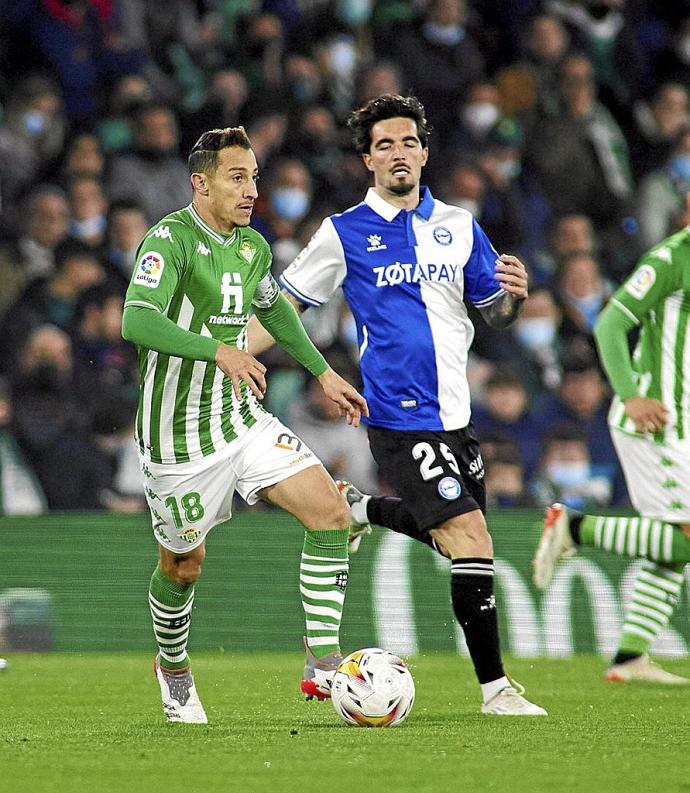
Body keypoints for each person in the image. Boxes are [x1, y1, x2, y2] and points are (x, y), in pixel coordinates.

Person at [248, 94, 546, 715]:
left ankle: (361, 510)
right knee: (471, 538)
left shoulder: (460, 225)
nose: (398, 153)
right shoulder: (343, 232)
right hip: (396, 416)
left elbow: (494, 313)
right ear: (368, 161)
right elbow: (285, 304)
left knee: (455, 543)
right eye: (384, 145)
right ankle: (496, 690)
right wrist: (232, 353)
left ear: (425, 151)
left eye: (408, 141)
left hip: (456, 417)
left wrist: (514, 298)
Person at [120, 126, 368, 724]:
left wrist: (322, 371)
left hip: (239, 418)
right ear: (199, 184)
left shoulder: (253, 246)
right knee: (182, 567)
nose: (251, 189)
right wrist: (219, 351)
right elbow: (135, 319)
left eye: (254, 176)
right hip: (177, 440)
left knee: (331, 513)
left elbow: (272, 307)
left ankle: (323, 660)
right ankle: (174, 667)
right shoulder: (169, 240)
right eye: (238, 177)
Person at [533, 219, 690, 684]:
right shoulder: (670, 259)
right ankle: (577, 527)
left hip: (684, 424)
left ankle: (629, 657)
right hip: (657, 418)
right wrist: (629, 395)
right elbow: (611, 323)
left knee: (672, 545)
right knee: (684, 536)